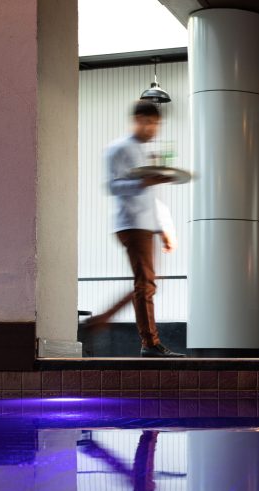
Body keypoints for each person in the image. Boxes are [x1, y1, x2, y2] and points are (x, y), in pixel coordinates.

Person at [83, 100, 184, 357]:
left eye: (156, 124)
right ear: (137, 119)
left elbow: (150, 197)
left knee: (147, 283)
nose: (153, 128)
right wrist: (144, 183)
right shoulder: (118, 149)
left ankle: (101, 320)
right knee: (146, 284)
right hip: (131, 223)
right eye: (149, 122)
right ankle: (149, 343)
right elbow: (112, 186)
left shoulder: (144, 151)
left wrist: (163, 229)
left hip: (145, 225)